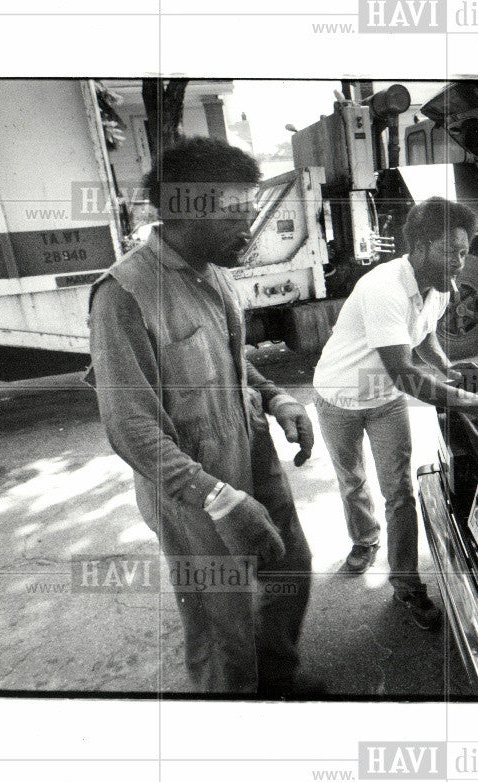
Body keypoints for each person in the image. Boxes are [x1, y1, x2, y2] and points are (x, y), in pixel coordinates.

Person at [87, 137, 316, 696]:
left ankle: (277, 686)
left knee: (289, 570)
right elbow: (130, 428)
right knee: (222, 624)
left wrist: (278, 398)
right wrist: (220, 499)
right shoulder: (123, 296)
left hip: (251, 452)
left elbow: (233, 367)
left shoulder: (212, 270)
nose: (251, 225)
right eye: (237, 212)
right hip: (191, 492)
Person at [313, 196, 478, 629]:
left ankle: (407, 586)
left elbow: (422, 335)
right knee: (352, 480)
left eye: (465, 252)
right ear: (420, 247)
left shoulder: (442, 289)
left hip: (383, 398)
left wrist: (448, 370)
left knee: (399, 491)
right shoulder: (384, 288)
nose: (460, 263)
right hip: (337, 396)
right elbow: (406, 376)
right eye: (452, 252)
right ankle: (365, 539)